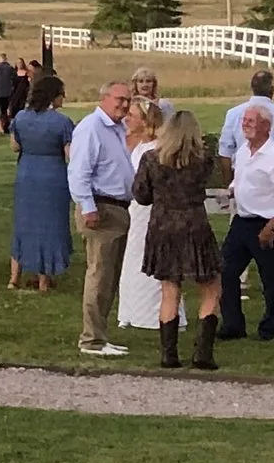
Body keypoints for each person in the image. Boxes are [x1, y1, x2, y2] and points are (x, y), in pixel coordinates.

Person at [136, 108, 222, 370]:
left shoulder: (151, 159)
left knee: (170, 290)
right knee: (211, 287)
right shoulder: (204, 160)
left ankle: (169, 354)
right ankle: (202, 353)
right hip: (195, 225)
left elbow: (141, 195)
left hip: (163, 227)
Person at [68, 77, 138, 356]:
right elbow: (79, 171)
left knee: (110, 277)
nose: (123, 104)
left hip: (118, 208)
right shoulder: (91, 128)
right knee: (99, 274)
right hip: (101, 208)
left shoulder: (118, 129)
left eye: (127, 100)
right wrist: (88, 206)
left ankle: (100, 334)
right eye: (118, 99)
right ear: (104, 99)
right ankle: (91, 339)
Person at [219, 103, 274, 343]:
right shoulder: (243, 151)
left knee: (272, 281)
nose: (246, 125)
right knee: (224, 270)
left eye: (251, 122)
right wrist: (232, 190)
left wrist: (271, 227)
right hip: (242, 221)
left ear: (266, 126)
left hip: (268, 223)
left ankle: (269, 328)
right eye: (244, 121)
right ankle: (232, 324)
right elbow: (241, 178)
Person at [9, 72, 74, 292]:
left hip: (26, 172)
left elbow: (15, 146)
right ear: (53, 96)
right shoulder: (62, 122)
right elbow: (69, 155)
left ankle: (14, 277)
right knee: (49, 225)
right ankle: (44, 279)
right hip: (52, 175)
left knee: (24, 223)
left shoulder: (20, 117)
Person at [115, 98, 167, 332]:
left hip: (150, 209)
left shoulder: (155, 149)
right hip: (135, 209)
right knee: (132, 258)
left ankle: (153, 312)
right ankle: (131, 310)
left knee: (149, 257)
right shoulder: (132, 145)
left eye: (132, 115)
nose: (127, 118)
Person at [219, 68, 274, 161]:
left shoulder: (233, 114)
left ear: (252, 88)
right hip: (273, 170)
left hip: (242, 171)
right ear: (272, 90)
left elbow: (225, 151)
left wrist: (228, 175)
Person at [0, 52, 20, 135]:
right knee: (4, 112)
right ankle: (6, 128)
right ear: (6, 59)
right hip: (6, 93)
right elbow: (15, 78)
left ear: (0, 59)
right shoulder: (10, 68)